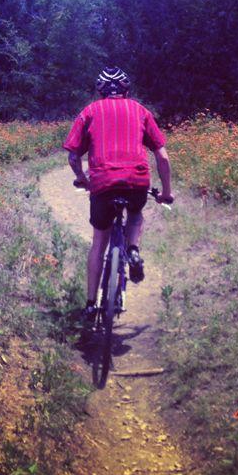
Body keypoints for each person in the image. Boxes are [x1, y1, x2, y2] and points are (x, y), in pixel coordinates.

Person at [63, 66, 173, 324]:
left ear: (100, 91)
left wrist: (82, 178)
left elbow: (72, 156)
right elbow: (163, 156)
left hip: (102, 183)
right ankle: (133, 249)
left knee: (99, 242)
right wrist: (166, 193)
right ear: (126, 90)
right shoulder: (141, 111)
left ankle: (90, 304)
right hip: (136, 180)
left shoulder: (89, 112)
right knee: (135, 214)